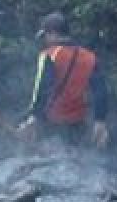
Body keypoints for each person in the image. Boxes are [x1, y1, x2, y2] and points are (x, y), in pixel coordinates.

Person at [19, 12, 110, 149]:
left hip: (50, 123)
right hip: (78, 125)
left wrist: (34, 117)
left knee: (41, 161)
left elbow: (42, 88)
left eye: (46, 35)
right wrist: (100, 121)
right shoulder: (90, 57)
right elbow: (101, 90)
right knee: (73, 164)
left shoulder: (50, 55)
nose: (45, 40)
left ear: (53, 33)